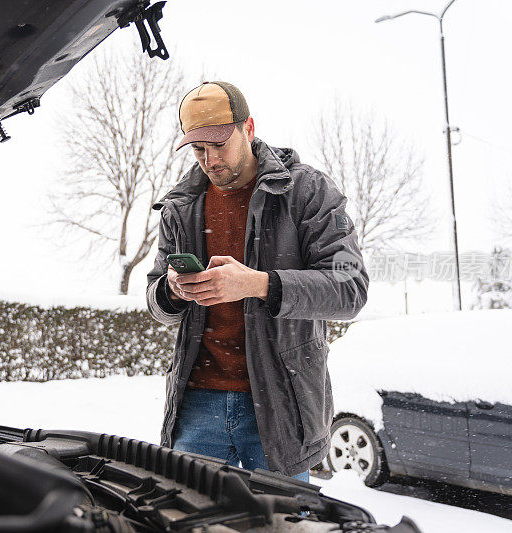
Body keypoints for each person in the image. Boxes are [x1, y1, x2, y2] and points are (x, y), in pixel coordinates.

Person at [146, 81, 368, 482]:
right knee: (191, 522)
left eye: (219, 145)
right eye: (199, 149)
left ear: (248, 128)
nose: (210, 160)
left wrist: (260, 284)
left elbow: (350, 288)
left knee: (284, 525)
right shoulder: (181, 205)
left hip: (280, 404)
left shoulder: (306, 191)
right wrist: (172, 289)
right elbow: (156, 300)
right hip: (196, 404)